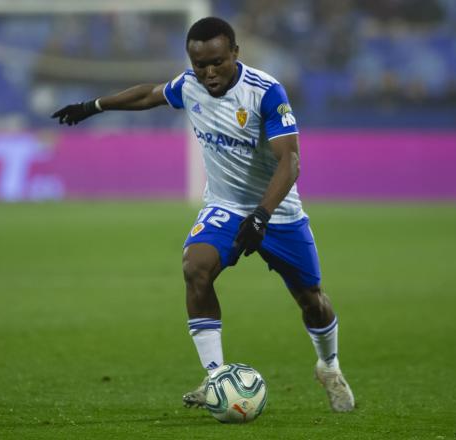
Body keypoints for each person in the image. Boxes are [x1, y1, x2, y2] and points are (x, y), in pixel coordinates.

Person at [52, 16, 355, 413]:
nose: (209, 73)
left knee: (312, 300)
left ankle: (329, 366)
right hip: (225, 205)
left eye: (217, 62)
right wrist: (94, 106)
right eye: (200, 65)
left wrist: (262, 216)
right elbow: (150, 95)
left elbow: (290, 162)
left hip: (277, 210)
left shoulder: (265, 92)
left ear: (235, 53)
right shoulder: (189, 85)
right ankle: (216, 378)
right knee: (195, 268)